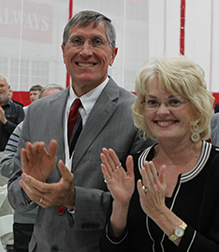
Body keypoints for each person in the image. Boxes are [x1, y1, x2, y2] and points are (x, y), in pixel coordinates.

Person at [7, 10, 154, 252]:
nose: (86, 51)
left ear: (113, 54)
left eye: (96, 42)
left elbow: (142, 204)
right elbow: (15, 198)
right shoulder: (37, 112)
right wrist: (32, 183)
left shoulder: (137, 115)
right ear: (64, 52)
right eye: (77, 41)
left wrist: (74, 199)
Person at [99, 56, 219, 252]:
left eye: (174, 101)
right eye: (152, 102)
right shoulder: (132, 167)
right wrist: (120, 206)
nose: (161, 111)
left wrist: (160, 214)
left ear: (196, 108)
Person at [0, 84, 64, 252]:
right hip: (28, 218)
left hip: (63, 219)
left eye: (57, 102)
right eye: (46, 102)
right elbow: (5, 165)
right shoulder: (23, 128)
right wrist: (32, 171)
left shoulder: (75, 130)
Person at [0, 75, 25, 251]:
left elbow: (19, 135)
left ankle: (8, 239)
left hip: (7, 157)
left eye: (1, 85)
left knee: (6, 199)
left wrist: (3, 120)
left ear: (9, 88)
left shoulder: (18, 109)